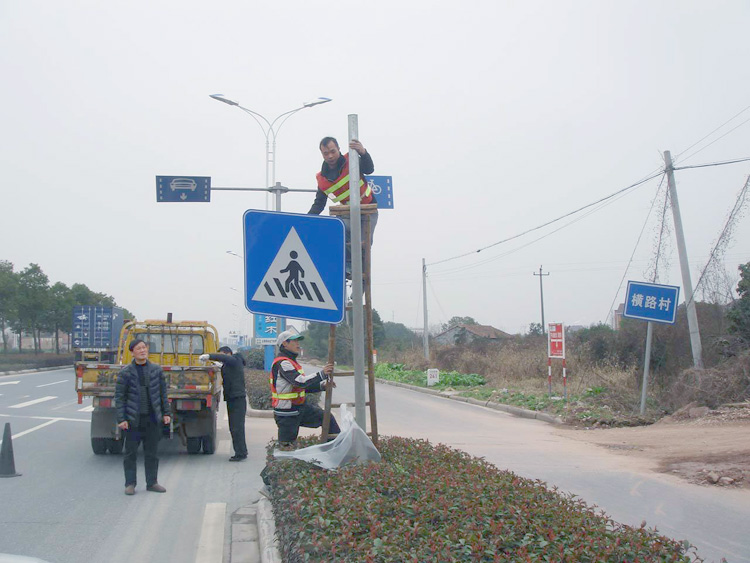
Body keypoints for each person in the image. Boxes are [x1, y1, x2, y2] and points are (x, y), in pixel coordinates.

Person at [308, 137, 378, 278]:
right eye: (326, 153)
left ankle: (362, 281)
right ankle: (347, 267)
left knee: (364, 244)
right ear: (322, 154)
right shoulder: (322, 179)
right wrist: (306, 220)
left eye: (333, 151)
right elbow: (319, 204)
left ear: (339, 149)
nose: (330, 156)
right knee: (339, 231)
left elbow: (369, 169)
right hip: (346, 213)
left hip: (368, 209)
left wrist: (363, 152)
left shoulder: (351, 161)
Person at [115, 338, 170, 495]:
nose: (142, 350)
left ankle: (152, 483)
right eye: (138, 348)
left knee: (152, 453)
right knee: (130, 453)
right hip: (133, 420)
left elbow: (163, 394)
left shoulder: (156, 370)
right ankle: (130, 484)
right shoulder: (125, 373)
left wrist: (166, 413)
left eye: (144, 348)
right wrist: (122, 419)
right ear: (132, 352)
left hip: (152, 418)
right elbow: (119, 397)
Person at [270, 330, 340, 448]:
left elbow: (299, 387)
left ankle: (333, 450)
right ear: (284, 344)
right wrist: (321, 374)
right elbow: (299, 382)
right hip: (287, 413)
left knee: (327, 418)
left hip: (300, 408)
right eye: (295, 341)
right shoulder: (282, 363)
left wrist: (321, 386)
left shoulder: (292, 362)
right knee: (286, 447)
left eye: (298, 341)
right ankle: (279, 465)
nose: (298, 344)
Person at [199, 346, 248, 461]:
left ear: (228, 353)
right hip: (233, 398)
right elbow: (226, 366)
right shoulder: (231, 364)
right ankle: (241, 451)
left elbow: (226, 359)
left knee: (237, 428)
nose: (222, 360)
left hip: (237, 399)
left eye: (223, 356)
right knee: (234, 427)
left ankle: (240, 453)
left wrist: (209, 356)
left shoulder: (235, 359)